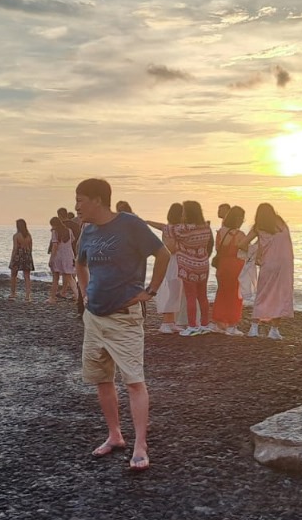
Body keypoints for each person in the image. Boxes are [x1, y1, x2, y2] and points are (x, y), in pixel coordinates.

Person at [74, 178, 170, 472]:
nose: (76, 205)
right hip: (94, 319)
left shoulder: (130, 224)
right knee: (103, 379)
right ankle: (115, 436)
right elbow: (80, 263)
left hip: (124, 318)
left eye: (80, 199)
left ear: (98, 200)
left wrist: (150, 292)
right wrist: (85, 292)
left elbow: (163, 254)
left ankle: (140, 445)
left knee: (133, 381)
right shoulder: (86, 230)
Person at [245, 203, 295, 339]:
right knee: (281, 294)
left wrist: (255, 250)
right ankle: (274, 329)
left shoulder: (259, 227)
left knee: (263, 293)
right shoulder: (281, 224)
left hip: (269, 264)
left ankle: (254, 327)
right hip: (285, 264)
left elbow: (243, 242)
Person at [174, 200, 214, 336]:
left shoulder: (183, 229)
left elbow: (167, 229)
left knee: (191, 296)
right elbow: (209, 245)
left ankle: (192, 326)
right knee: (202, 296)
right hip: (203, 264)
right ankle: (205, 324)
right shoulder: (206, 227)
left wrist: (148, 222)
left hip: (188, 265)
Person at [144, 204, 184, 333]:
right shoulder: (175, 229)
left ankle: (170, 322)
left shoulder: (169, 228)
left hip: (174, 261)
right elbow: (171, 248)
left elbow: (161, 226)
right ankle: (166, 322)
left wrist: (148, 222)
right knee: (173, 290)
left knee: (174, 291)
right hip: (173, 262)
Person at [212, 205, 247, 335]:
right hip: (235, 266)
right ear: (239, 219)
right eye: (243, 218)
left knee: (222, 293)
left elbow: (217, 249)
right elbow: (246, 250)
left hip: (222, 265)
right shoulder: (239, 235)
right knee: (235, 295)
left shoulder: (220, 232)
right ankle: (232, 325)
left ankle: (219, 322)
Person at [47, 216, 76, 302]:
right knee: (69, 277)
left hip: (59, 257)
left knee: (55, 278)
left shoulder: (55, 232)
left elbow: (55, 246)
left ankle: (52, 298)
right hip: (69, 256)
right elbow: (72, 241)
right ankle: (77, 295)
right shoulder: (69, 231)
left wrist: (51, 259)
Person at [9, 219, 34, 301]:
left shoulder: (16, 236)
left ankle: (13, 293)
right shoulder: (29, 236)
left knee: (13, 275)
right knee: (27, 276)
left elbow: (15, 248)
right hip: (27, 255)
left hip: (18, 255)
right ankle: (28, 296)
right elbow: (31, 248)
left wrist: (12, 258)